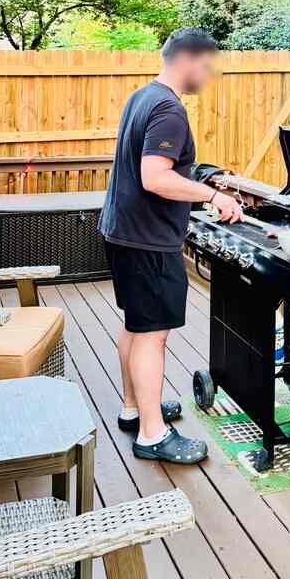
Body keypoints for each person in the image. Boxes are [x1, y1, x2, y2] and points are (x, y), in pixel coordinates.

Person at [98, 27, 245, 463]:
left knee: (136, 324)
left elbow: (157, 163)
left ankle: (134, 409)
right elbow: (155, 177)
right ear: (187, 59)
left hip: (122, 230)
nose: (208, 73)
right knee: (152, 336)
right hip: (147, 239)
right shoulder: (170, 110)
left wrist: (203, 175)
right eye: (206, 64)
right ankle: (152, 434)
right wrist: (214, 196)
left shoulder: (143, 96)